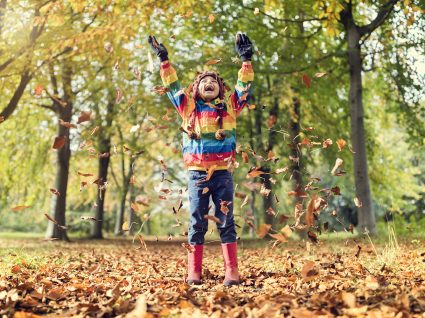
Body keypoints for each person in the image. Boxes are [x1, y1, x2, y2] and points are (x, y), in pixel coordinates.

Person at [148, 32, 254, 286]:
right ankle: (194, 271)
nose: (209, 82)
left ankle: (232, 271)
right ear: (196, 89)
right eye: (204, 80)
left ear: (219, 90)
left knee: (226, 220)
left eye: (213, 81)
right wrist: (164, 61)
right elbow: (173, 87)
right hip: (197, 175)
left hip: (222, 174)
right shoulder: (188, 109)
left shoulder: (228, 108)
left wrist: (246, 62)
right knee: (197, 221)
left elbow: (242, 88)